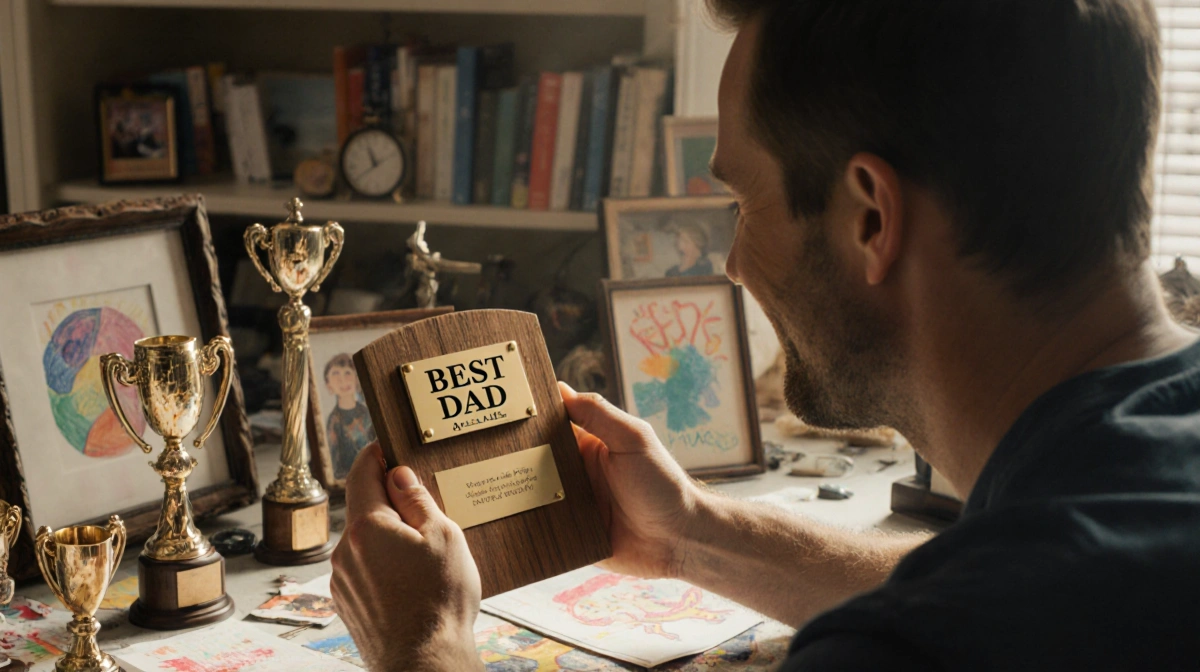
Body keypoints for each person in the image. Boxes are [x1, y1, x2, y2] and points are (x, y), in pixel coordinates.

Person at [331, 1, 1200, 669]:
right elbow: (1002, 581)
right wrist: (690, 536)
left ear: (869, 217)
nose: (736, 264)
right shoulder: (1123, 497)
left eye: (747, 205)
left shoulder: (931, 645)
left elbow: (979, 610)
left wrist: (426, 647)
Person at [323, 354, 375, 480]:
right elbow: (335, 464)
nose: (343, 380)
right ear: (329, 386)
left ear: (356, 379)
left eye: (347, 373)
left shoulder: (367, 412)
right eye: (336, 374)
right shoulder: (334, 421)